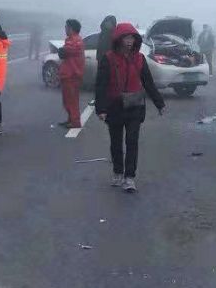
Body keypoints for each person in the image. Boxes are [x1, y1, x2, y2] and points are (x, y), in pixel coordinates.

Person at [95, 22, 165, 192]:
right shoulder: (109, 58)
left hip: (135, 106)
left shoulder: (140, 59)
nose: (129, 41)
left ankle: (129, 177)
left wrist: (159, 103)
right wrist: (101, 109)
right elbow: (101, 85)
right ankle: (118, 172)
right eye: (126, 37)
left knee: (132, 142)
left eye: (132, 38)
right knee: (116, 142)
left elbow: (148, 82)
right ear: (118, 39)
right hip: (114, 107)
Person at [58, 19, 86, 127]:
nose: (65, 29)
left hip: (72, 75)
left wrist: (62, 50)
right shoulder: (70, 40)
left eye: (66, 27)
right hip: (68, 74)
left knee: (72, 100)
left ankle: (75, 122)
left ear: (71, 28)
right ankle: (70, 119)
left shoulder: (75, 41)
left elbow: (64, 52)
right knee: (67, 100)